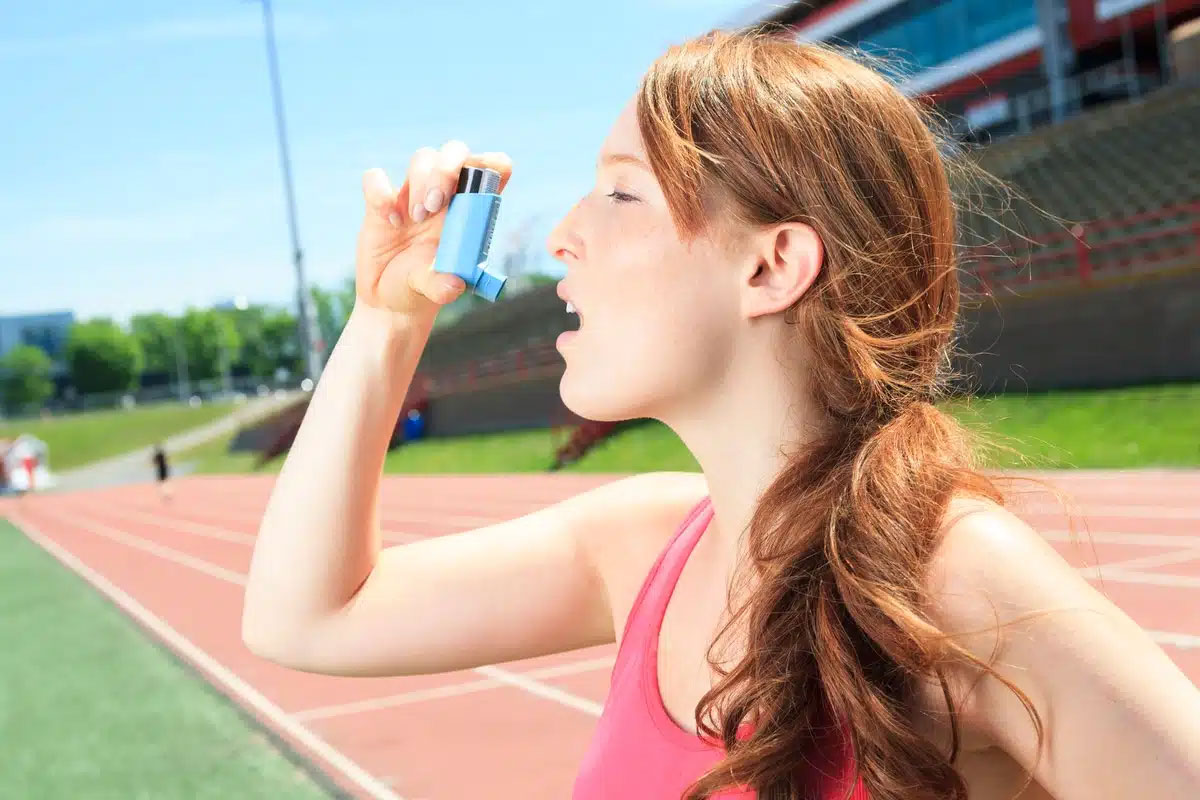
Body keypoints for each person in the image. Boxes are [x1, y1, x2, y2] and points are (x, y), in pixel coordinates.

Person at [242, 28, 1200, 800]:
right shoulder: (641, 544)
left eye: (621, 190)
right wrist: (386, 318)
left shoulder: (953, 579)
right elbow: (305, 619)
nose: (565, 234)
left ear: (772, 265)